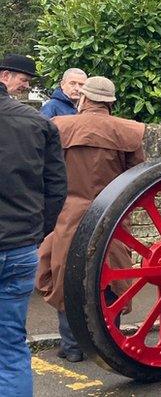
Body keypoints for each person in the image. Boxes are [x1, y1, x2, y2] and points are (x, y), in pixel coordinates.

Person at [36, 76, 146, 362]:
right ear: (110, 102)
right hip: (112, 215)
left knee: (64, 275)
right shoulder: (128, 132)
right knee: (111, 276)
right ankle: (108, 345)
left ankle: (72, 347)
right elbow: (139, 179)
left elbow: (46, 175)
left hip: (69, 213)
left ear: (83, 99)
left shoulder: (61, 126)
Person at [0, 54, 68, 396]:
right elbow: (56, 188)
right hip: (20, 247)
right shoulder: (38, 123)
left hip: (19, 243)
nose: (26, 84)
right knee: (10, 344)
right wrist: (36, 234)